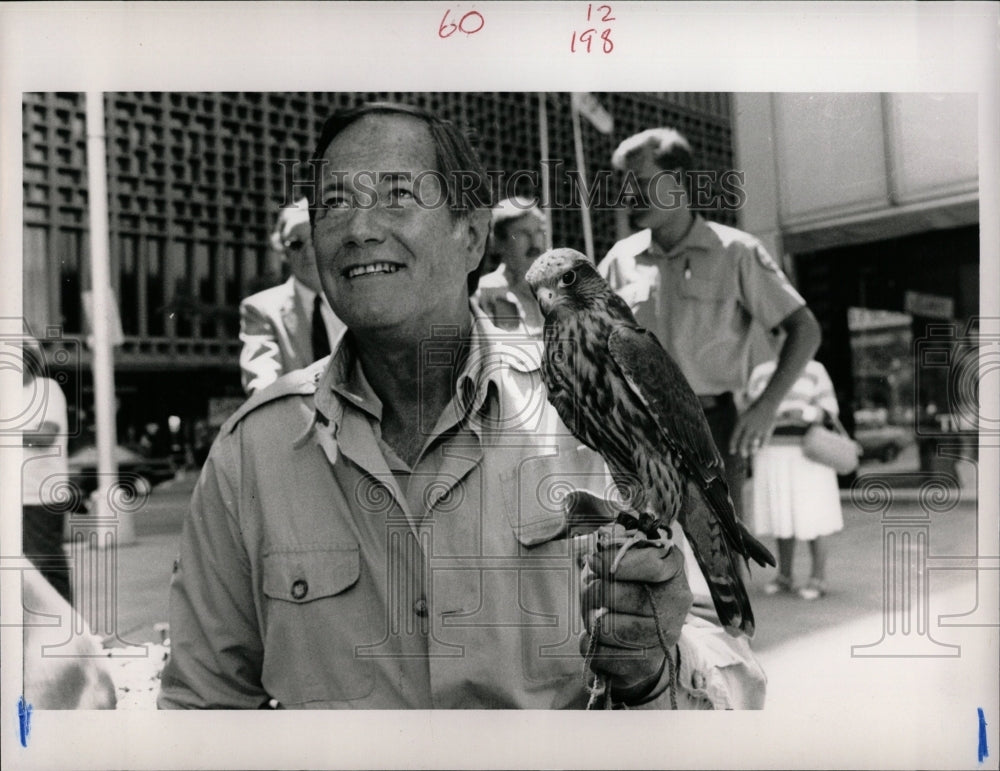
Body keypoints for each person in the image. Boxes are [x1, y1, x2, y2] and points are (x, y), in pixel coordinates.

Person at [159, 102, 765, 710]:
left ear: (472, 235)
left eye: (397, 195)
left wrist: (653, 673)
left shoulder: (571, 410)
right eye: (335, 203)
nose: (360, 228)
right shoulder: (250, 455)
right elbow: (200, 707)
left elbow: (733, 673)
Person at [598, 127, 821, 519]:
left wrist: (767, 405)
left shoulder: (735, 252)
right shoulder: (619, 260)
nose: (628, 195)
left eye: (642, 182)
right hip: (636, 431)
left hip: (710, 429)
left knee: (721, 566)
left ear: (680, 180)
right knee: (644, 557)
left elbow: (805, 329)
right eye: (625, 184)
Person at [746, 359, 845, 600]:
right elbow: (749, 408)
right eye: (774, 332)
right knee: (781, 514)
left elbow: (830, 409)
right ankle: (785, 575)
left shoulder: (814, 369)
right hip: (771, 451)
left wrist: (806, 412)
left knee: (813, 515)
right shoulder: (760, 371)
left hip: (808, 453)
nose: (778, 336)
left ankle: (818, 578)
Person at [238, 197, 346, 395]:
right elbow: (263, 383)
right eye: (296, 244)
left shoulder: (358, 300)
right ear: (282, 251)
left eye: (315, 239)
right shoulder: (260, 309)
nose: (308, 252)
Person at [19, 337, 74, 604]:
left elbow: (45, 436)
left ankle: (67, 628)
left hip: (41, 493)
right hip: (13, 495)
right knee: (20, 570)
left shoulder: (47, 389)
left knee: (46, 564)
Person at [473, 197, 548, 336]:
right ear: (498, 242)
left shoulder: (557, 293)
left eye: (538, 231)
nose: (534, 242)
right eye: (523, 234)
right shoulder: (485, 293)